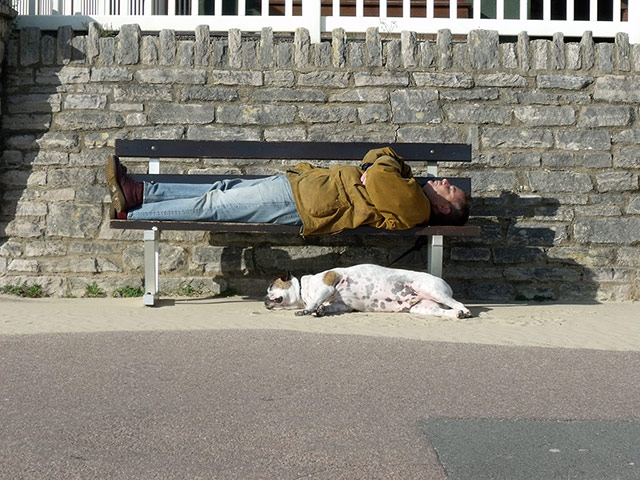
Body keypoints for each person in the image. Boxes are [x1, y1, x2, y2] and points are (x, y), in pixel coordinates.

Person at [106, 146, 470, 237]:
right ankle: (137, 191)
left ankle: (130, 213)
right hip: (301, 184)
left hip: (305, 202)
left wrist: (375, 169)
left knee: (214, 204)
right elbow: (382, 157)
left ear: (442, 209)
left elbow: (376, 175)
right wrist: (380, 166)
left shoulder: (416, 207)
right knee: (221, 188)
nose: (444, 182)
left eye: (449, 190)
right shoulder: (410, 185)